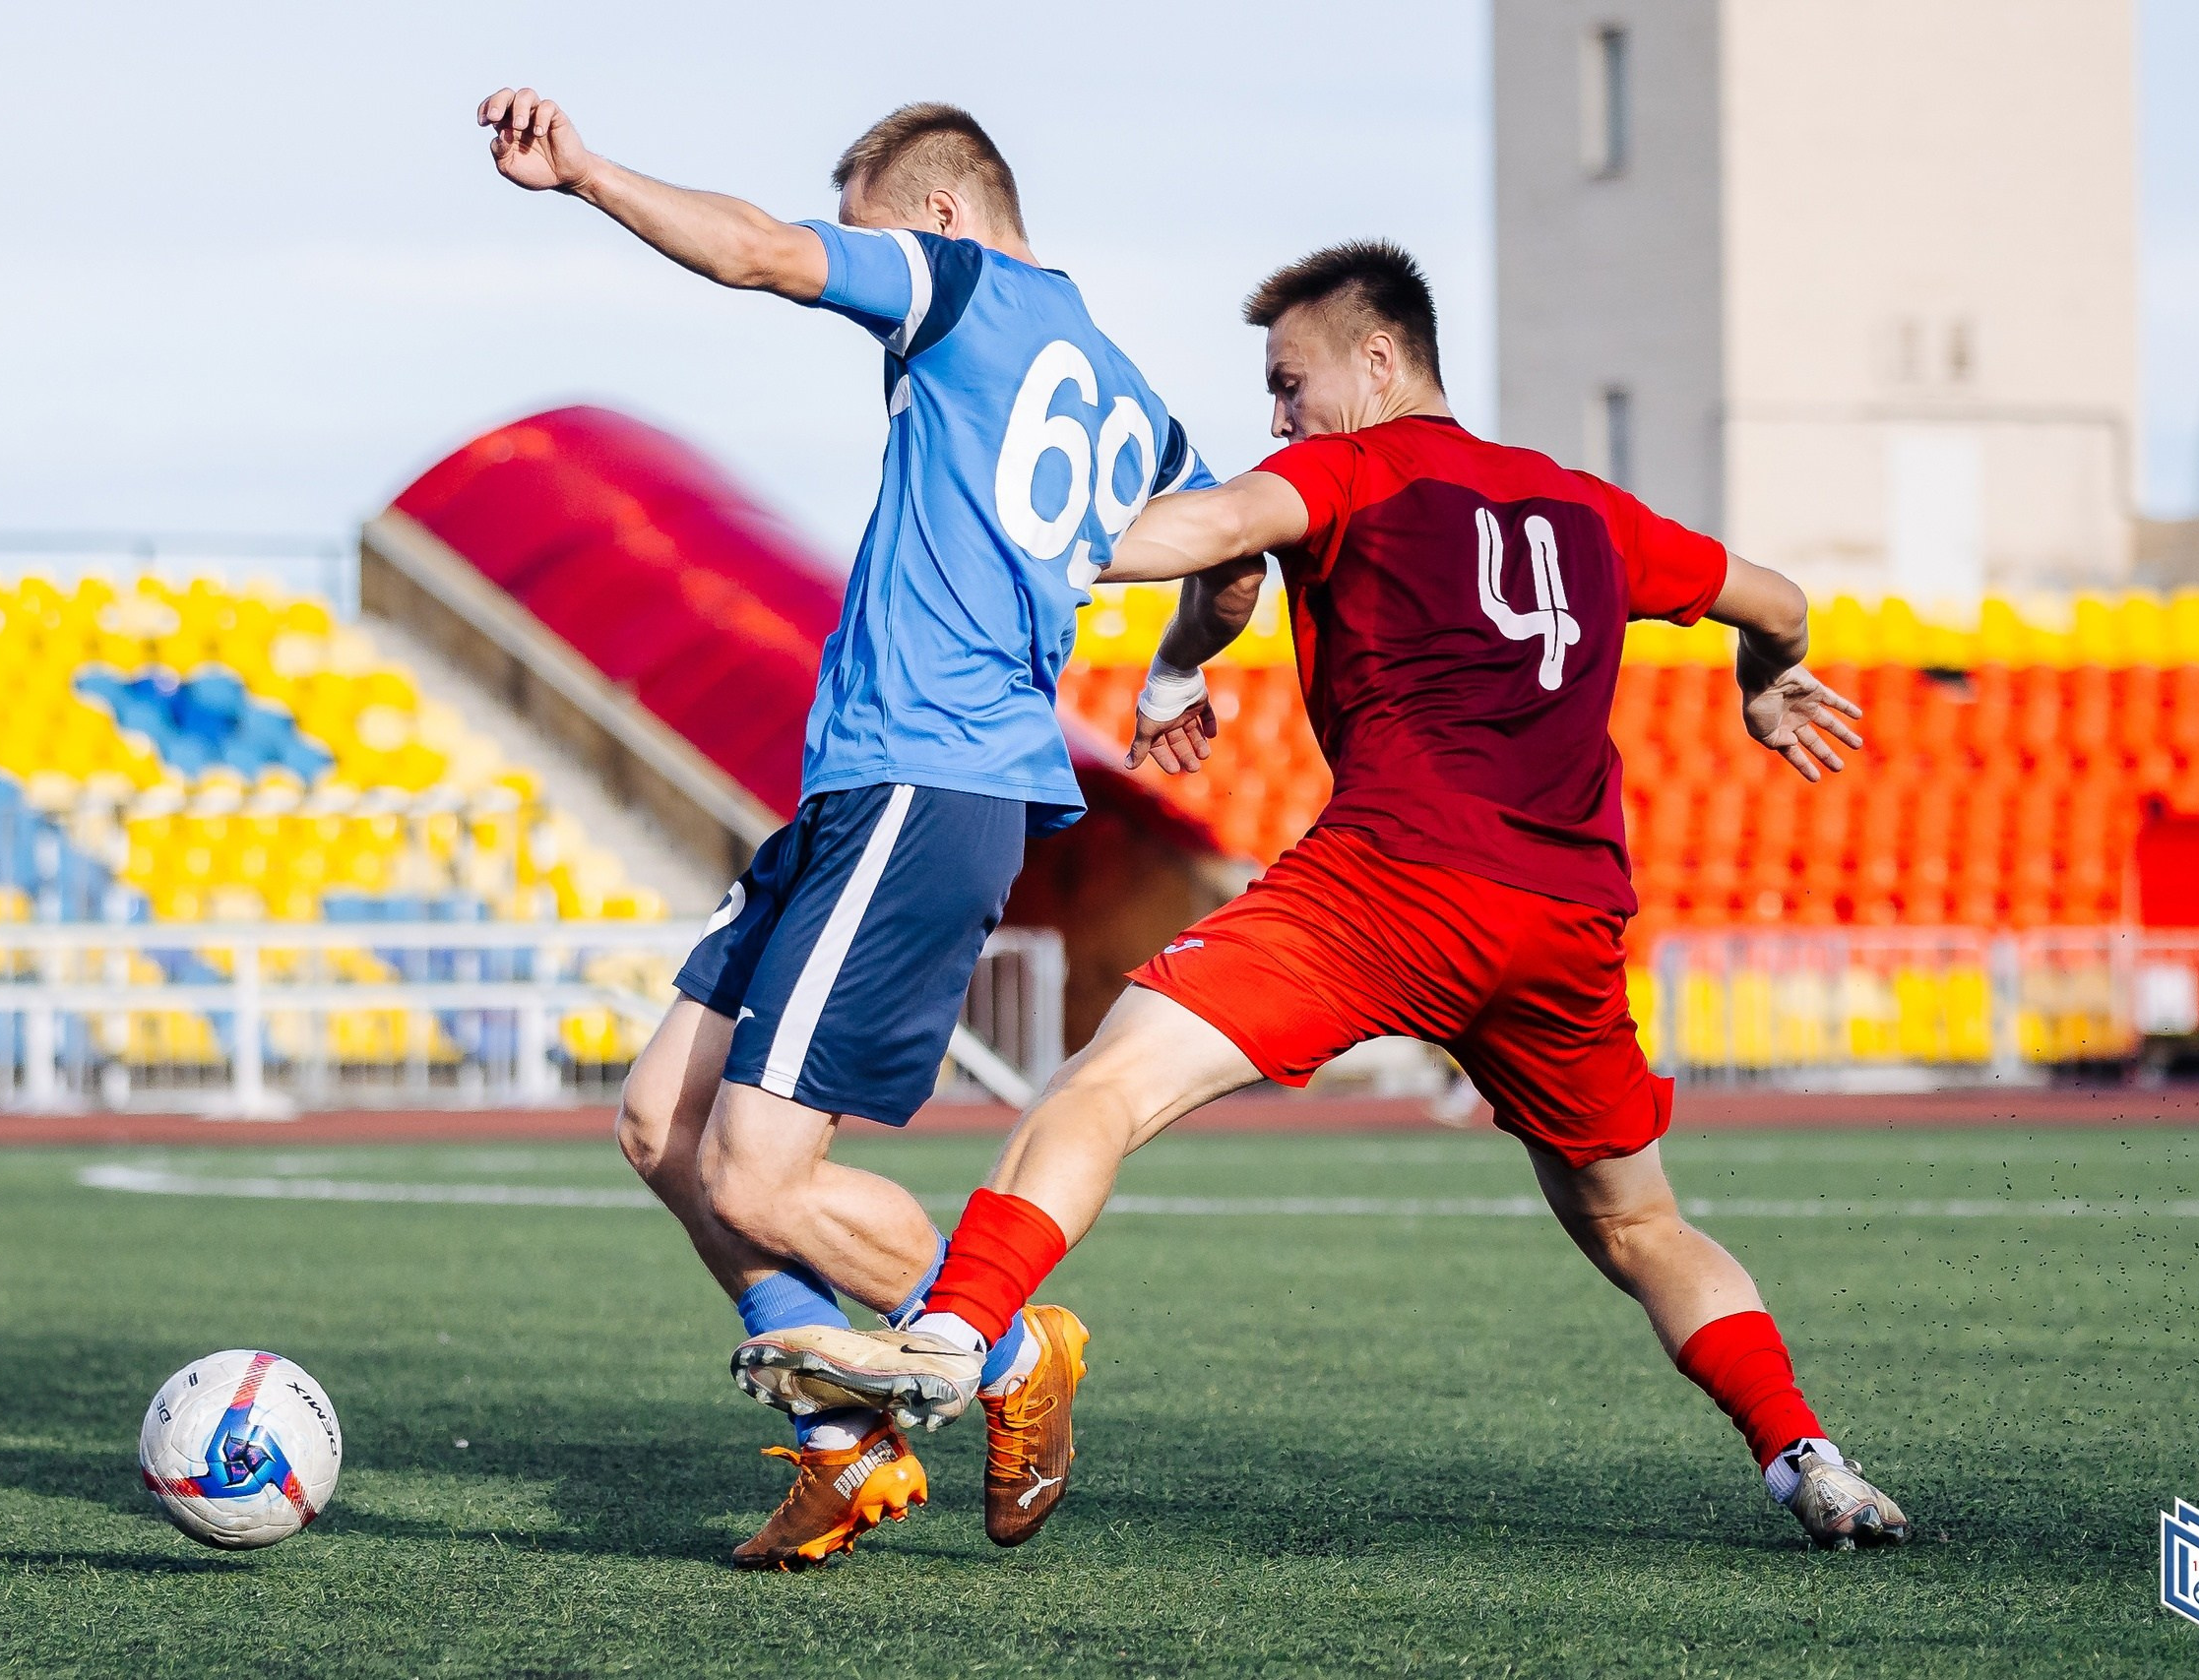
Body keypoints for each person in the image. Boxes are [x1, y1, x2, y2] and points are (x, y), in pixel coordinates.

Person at [744, 240, 1913, 1551]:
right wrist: (1766, 679)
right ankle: (1803, 1455)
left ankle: (957, 1333)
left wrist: (1032, 533)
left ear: (1375, 360)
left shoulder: (1353, 466)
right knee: (1641, 1219)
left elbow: (1209, 534)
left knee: (1101, 1088)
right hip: (1565, 921)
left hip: (1393, 887)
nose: (1277, 417)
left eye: (1288, 384)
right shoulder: (1591, 510)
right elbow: (1784, 600)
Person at [475, 91, 1210, 1567]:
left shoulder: (956, 282)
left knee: (757, 1171)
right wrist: (1188, 658)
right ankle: (842, 1446)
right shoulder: (1136, 400)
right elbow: (1231, 535)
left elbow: (755, 252)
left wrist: (589, 175)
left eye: (865, 234)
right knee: (658, 1125)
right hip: (866, 786)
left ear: (939, 214)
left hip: (925, 781)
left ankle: (1010, 1359)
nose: (855, 270)